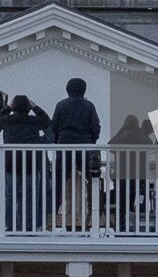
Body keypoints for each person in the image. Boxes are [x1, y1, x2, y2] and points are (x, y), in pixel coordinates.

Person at [51, 77, 101, 229]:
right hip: (84, 146)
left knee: (58, 183)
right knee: (92, 180)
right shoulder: (89, 106)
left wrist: (57, 141)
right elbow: (95, 127)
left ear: (68, 89)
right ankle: (96, 212)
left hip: (64, 146)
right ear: (84, 90)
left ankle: (51, 214)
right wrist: (92, 141)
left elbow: (54, 126)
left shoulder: (61, 105)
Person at [0, 94, 52, 231]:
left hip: (11, 164)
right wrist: (35, 107)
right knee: (30, 197)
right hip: (31, 164)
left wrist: (7, 107)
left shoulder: (7, 120)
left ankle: (9, 225)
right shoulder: (34, 121)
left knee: (10, 196)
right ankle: (30, 225)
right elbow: (48, 123)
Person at [108, 114, 152, 232]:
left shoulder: (122, 137)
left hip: (122, 175)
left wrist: (121, 130)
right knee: (135, 202)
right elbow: (150, 143)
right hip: (138, 175)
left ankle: (121, 226)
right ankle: (135, 225)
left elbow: (110, 145)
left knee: (121, 203)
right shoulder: (141, 136)